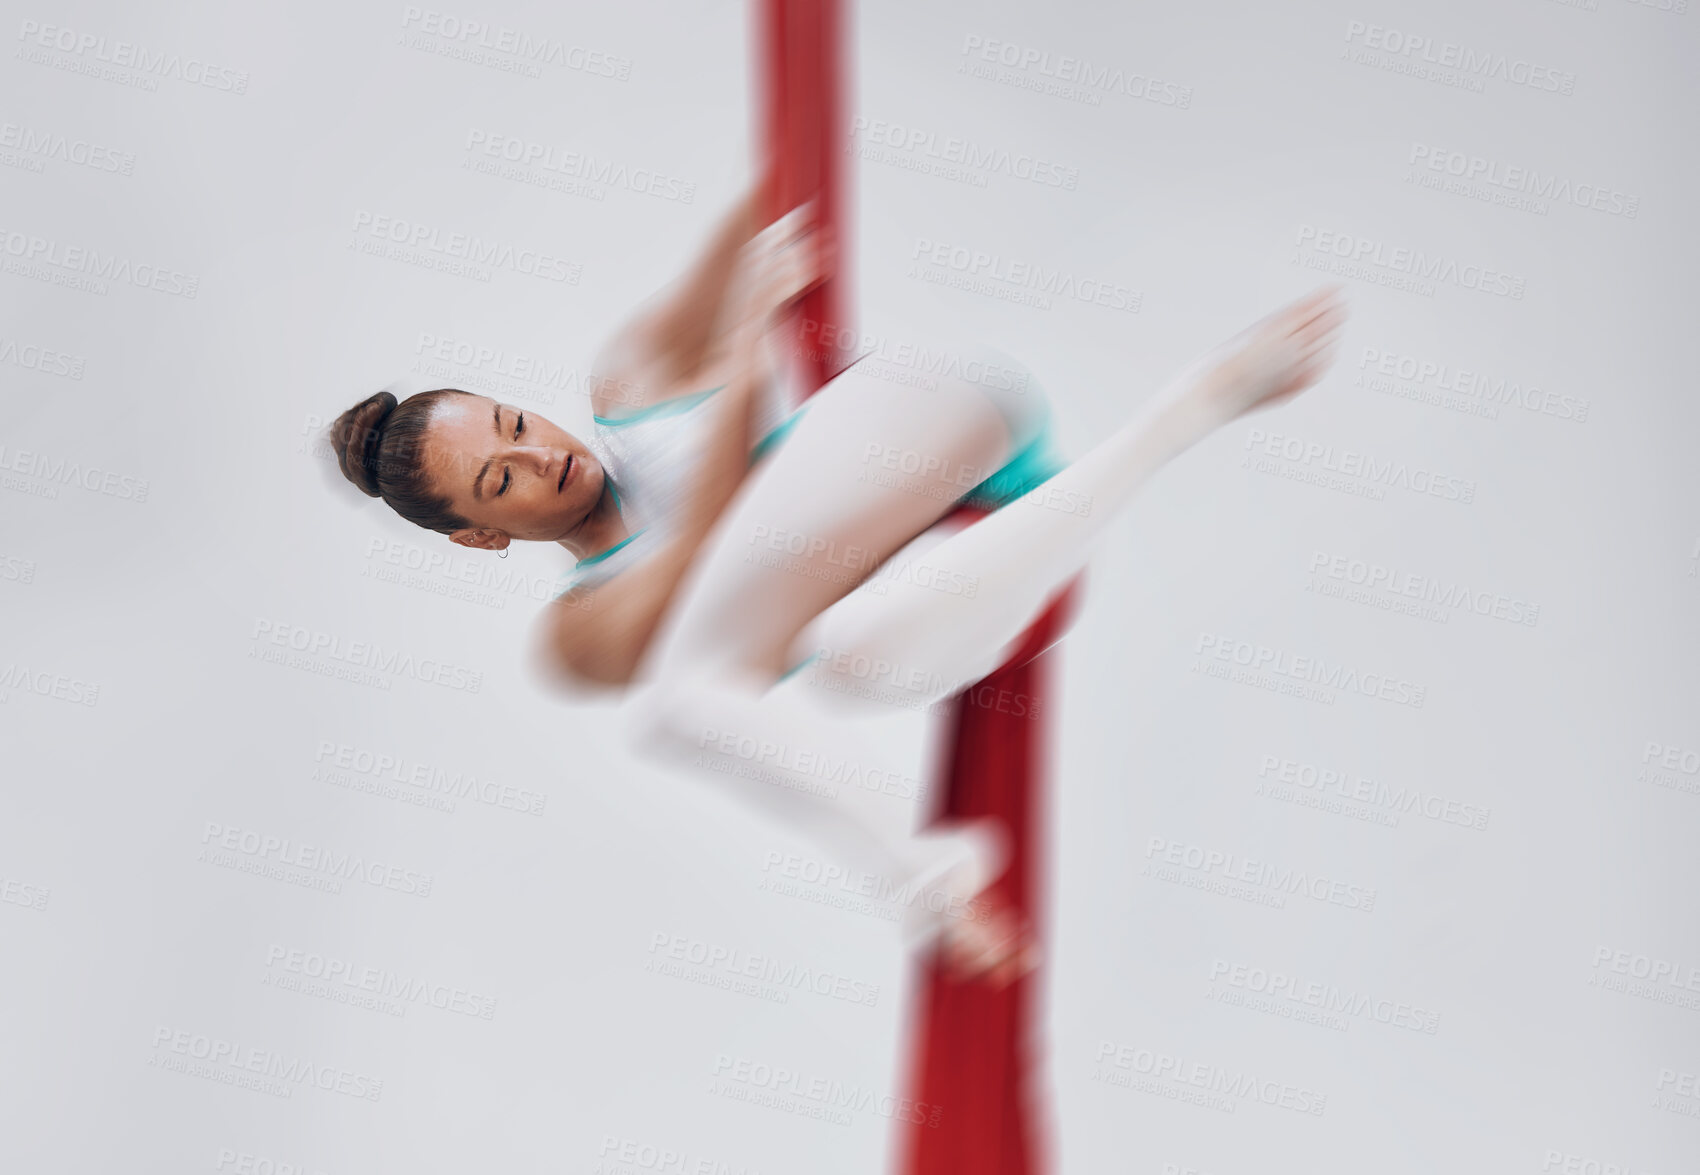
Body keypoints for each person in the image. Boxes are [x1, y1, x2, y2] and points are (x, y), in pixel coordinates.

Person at [329, 188, 1348, 983]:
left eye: (515, 422)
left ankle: (920, 878)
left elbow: (774, 180)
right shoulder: (579, 632)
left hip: (927, 427)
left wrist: (754, 260)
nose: (540, 454)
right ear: (477, 536)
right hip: (987, 564)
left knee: (681, 700)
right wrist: (739, 349)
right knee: (843, 660)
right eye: (500, 479)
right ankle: (1182, 414)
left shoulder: (630, 379)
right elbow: (703, 557)